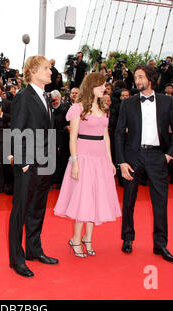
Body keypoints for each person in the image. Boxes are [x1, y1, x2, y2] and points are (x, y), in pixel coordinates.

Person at [115, 64, 173, 263]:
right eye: (135, 77)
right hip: (133, 156)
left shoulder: (166, 102)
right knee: (128, 200)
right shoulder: (128, 104)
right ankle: (127, 237)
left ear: (151, 78)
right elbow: (119, 133)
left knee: (160, 202)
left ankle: (160, 244)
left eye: (140, 77)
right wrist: (121, 161)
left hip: (157, 157)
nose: (137, 81)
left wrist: (169, 155)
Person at [54, 72, 121, 258]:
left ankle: (88, 238)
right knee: (83, 200)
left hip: (100, 159)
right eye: (101, 85)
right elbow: (72, 138)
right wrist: (75, 162)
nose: (104, 88)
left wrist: (109, 161)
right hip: (83, 158)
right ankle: (76, 239)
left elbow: (106, 136)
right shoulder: (77, 108)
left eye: (105, 85)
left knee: (96, 199)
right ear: (91, 86)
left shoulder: (104, 108)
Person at [8, 55, 58, 278]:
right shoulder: (24, 97)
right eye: (47, 68)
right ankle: (16, 260)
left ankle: (34, 250)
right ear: (34, 71)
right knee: (20, 212)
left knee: (37, 208)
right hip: (29, 164)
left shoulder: (45, 96)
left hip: (45, 163)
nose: (50, 72)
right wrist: (23, 162)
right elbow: (17, 130)